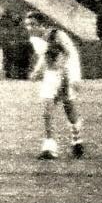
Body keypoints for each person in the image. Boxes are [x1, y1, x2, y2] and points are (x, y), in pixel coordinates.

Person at [24, 11, 85, 159]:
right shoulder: (34, 39)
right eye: (27, 25)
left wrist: (74, 78)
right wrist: (37, 71)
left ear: (42, 25)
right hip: (50, 76)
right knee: (47, 112)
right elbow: (44, 57)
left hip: (64, 75)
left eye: (33, 24)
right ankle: (49, 147)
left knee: (69, 109)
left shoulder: (57, 35)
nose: (29, 27)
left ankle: (77, 139)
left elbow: (71, 54)